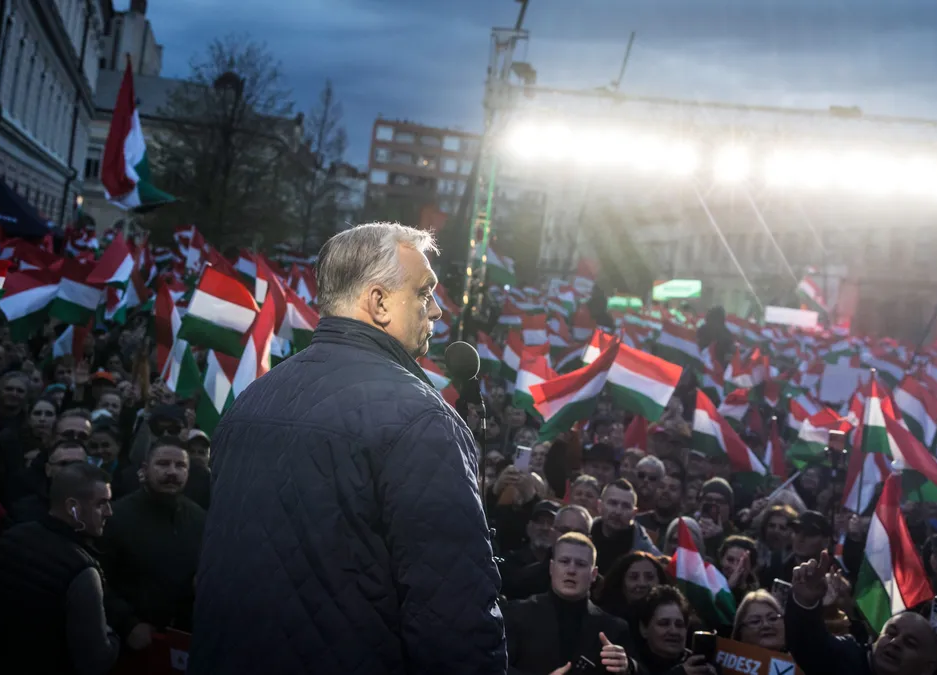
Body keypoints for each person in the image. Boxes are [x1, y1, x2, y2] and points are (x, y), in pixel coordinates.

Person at [191, 223, 505, 675]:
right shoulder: (422, 420)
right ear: (379, 302)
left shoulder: (251, 400)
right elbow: (456, 619)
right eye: (424, 292)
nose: (436, 310)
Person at [0, 463, 119, 675]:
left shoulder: (9, 537)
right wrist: (112, 636)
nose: (109, 512)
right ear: (73, 508)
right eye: (101, 504)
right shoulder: (82, 571)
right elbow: (95, 661)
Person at [101, 437, 206, 646]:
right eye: (163, 464)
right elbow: (99, 580)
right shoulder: (115, 517)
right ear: (145, 469)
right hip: (133, 640)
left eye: (180, 465)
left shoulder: (200, 518)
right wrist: (127, 623)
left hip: (185, 637)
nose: (172, 472)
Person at [785, 550, 937, 675]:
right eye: (890, 633)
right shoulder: (846, 657)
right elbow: (809, 644)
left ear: (928, 668)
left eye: (910, 643)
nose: (895, 643)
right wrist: (805, 602)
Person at [505, 532, 636, 674]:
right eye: (564, 561)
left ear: (594, 574)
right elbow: (495, 668)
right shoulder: (517, 615)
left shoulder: (613, 629)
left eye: (580, 564)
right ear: (551, 568)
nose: (571, 570)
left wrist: (628, 667)